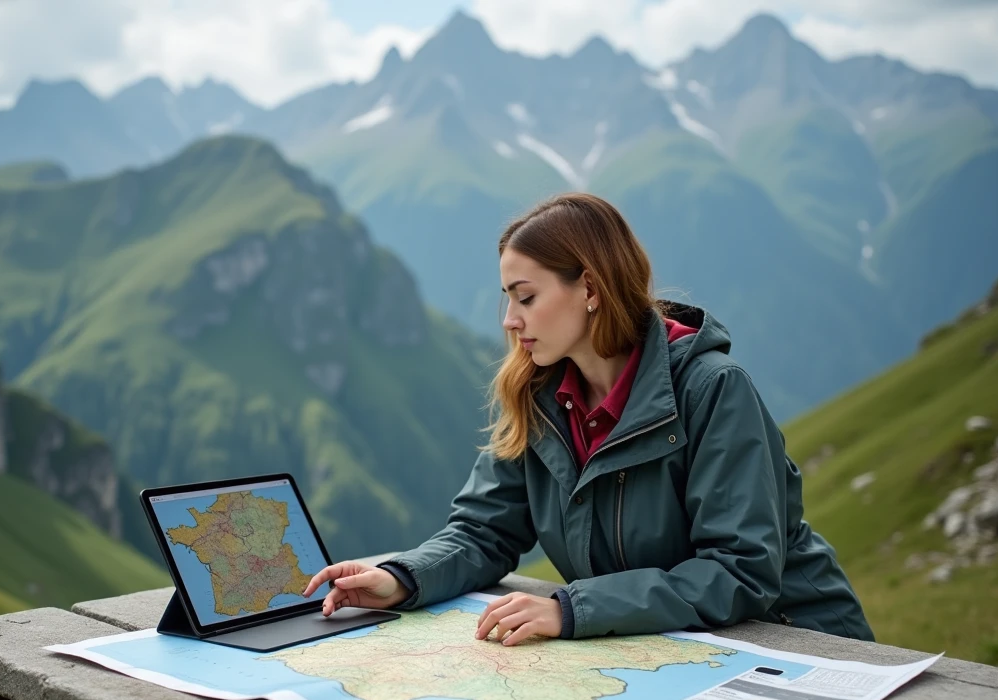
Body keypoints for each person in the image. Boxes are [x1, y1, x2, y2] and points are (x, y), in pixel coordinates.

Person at [303, 192, 874, 647]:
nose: (508, 320)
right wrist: (404, 577)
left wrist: (572, 608)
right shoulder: (539, 396)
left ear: (591, 288)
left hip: (798, 646)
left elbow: (739, 571)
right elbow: (485, 530)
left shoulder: (713, 391)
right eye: (506, 298)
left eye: (525, 298)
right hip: (680, 652)